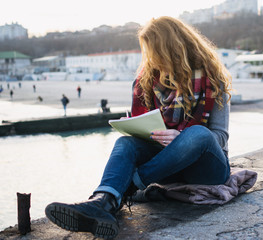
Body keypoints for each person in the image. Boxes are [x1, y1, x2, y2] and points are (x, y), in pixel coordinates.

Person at [45, 16, 232, 239]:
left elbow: (220, 136)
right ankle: (102, 202)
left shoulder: (212, 79)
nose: (151, 58)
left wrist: (180, 137)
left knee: (198, 134)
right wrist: (139, 129)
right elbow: (142, 128)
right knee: (125, 143)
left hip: (207, 169)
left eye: (156, 52)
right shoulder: (145, 81)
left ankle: (129, 188)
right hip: (166, 166)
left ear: (173, 48)